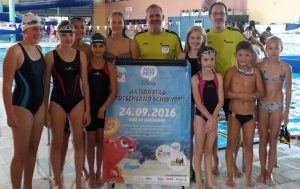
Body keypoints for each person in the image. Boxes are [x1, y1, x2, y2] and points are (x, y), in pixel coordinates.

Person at [44, 20, 90, 189]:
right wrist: (45, 111)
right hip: (57, 102)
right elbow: (45, 87)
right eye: (64, 35)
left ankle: (78, 181)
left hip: (77, 101)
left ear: (75, 35)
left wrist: (88, 110)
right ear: (58, 36)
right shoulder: (50, 57)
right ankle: (59, 181)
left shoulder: (81, 56)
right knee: (56, 143)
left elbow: (85, 84)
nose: (68, 38)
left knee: (78, 142)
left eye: (71, 34)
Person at [2, 12, 45, 189]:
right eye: (35, 29)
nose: (39, 32)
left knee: (34, 149)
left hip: (40, 105)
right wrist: (9, 114)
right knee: (21, 153)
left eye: (41, 29)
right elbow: (6, 85)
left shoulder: (40, 49)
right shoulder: (14, 51)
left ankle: (28, 185)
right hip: (22, 105)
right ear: (25, 30)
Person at [206, 2, 248, 176]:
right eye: (215, 13)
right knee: (213, 128)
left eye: (221, 13)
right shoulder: (205, 36)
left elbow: (248, 57)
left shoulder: (236, 35)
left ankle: (232, 163)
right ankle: (216, 161)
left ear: (226, 15)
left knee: (235, 128)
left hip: (231, 88)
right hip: (210, 88)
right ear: (209, 16)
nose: (218, 16)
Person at [224, 41, 264, 188]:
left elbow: (261, 92)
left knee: (248, 146)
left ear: (252, 55)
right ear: (236, 55)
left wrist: (252, 95)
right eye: (240, 55)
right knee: (230, 144)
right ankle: (230, 176)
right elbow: (225, 92)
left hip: (250, 115)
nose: (243, 58)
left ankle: (248, 177)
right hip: (234, 114)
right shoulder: (231, 72)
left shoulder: (255, 73)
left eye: (247, 55)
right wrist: (237, 96)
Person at [58, 16, 92, 180]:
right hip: (64, 98)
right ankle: (60, 169)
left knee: (80, 137)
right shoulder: (60, 48)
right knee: (64, 135)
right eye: (75, 27)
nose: (79, 30)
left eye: (81, 27)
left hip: (81, 98)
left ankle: (82, 166)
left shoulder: (88, 49)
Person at [256, 36, 292, 185]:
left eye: (276, 48)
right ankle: (262, 172)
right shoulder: (260, 66)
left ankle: (269, 173)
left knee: (273, 141)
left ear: (281, 49)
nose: (273, 51)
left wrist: (286, 112)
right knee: (263, 140)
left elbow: (289, 90)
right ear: (265, 49)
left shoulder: (285, 67)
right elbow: (254, 88)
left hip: (277, 107)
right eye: (270, 48)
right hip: (262, 106)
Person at [86, 33, 117, 188]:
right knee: (90, 143)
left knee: (100, 142)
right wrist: (86, 109)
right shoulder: (86, 65)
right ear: (91, 47)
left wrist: (103, 107)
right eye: (95, 46)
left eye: (101, 46)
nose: (98, 49)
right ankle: (91, 173)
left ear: (105, 48)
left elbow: (114, 91)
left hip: (103, 109)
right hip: (89, 110)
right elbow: (82, 89)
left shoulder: (109, 66)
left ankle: (99, 172)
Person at [178, 25, 207, 182]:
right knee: (188, 136)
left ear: (203, 39)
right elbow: (177, 79)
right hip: (187, 101)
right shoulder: (182, 56)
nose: (195, 41)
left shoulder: (207, 56)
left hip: (203, 101)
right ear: (188, 39)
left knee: (201, 138)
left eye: (198, 38)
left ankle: (199, 169)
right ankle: (188, 168)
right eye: (192, 38)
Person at [192, 46, 224, 189]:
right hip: (201, 117)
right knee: (199, 149)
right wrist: (210, 119)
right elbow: (198, 103)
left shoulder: (219, 77)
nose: (209, 62)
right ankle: (199, 180)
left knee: (209, 150)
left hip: (214, 116)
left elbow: (221, 100)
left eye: (212, 59)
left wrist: (213, 118)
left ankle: (209, 181)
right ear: (200, 61)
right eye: (205, 59)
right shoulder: (195, 79)